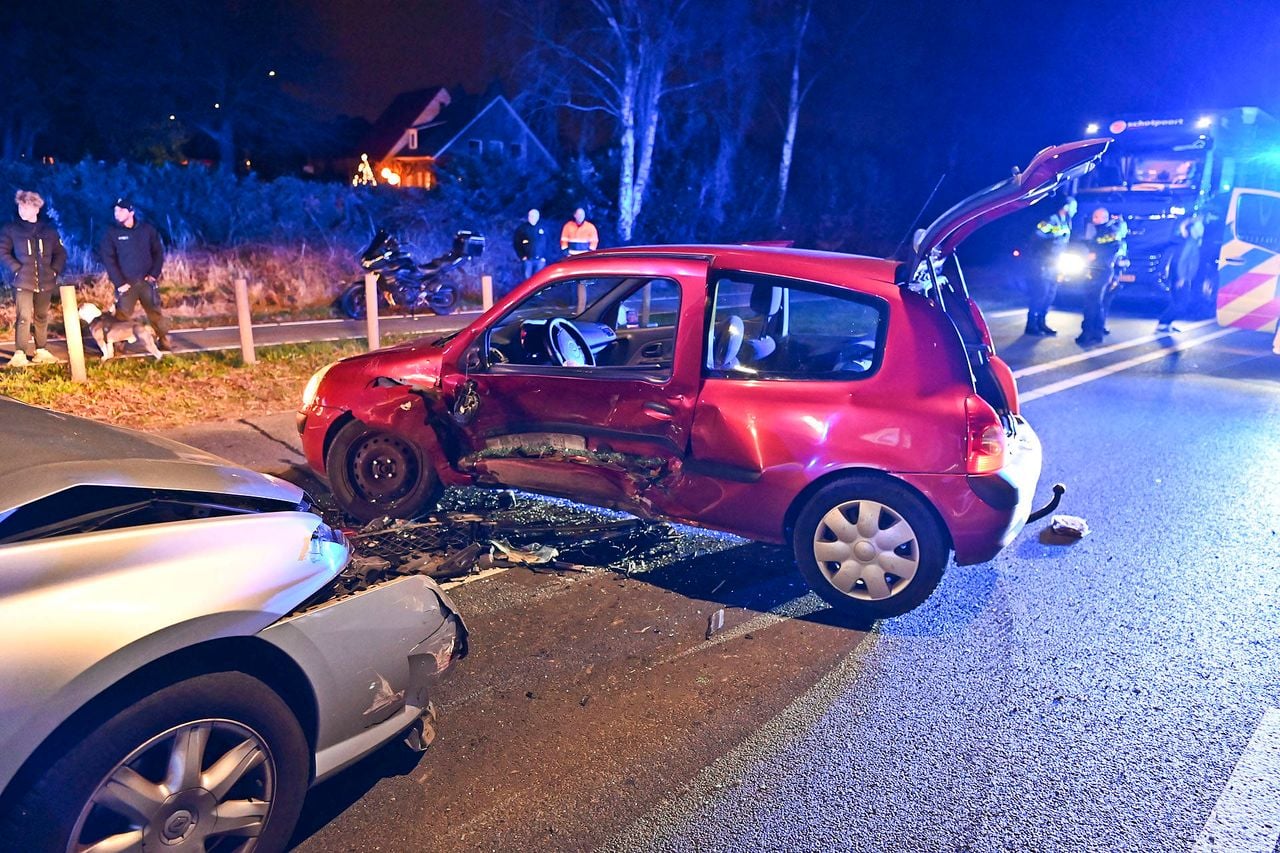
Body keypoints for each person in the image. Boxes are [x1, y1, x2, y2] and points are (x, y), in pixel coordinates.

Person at [0, 190, 66, 367]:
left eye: (26, 206)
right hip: (23, 281)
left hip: (45, 281)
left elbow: (60, 253)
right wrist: (17, 268)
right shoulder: (11, 229)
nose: (22, 209)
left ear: (36, 208)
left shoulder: (48, 231)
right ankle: (20, 353)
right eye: (20, 205)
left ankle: (41, 350)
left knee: (42, 316)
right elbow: (3, 251)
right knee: (23, 316)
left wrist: (54, 271)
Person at [99, 197, 170, 350]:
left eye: (120, 210)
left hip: (146, 282)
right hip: (126, 284)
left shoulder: (147, 230)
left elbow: (158, 252)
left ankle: (163, 340)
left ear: (131, 212)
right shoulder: (112, 233)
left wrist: (153, 274)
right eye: (115, 210)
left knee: (155, 312)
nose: (116, 213)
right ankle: (118, 344)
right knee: (121, 316)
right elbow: (109, 259)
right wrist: (119, 283)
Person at [1075, 206, 1128, 346]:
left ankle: (1089, 333)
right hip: (1101, 270)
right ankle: (1096, 332)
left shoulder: (1108, 232)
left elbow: (1111, 248)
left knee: (1092, 302)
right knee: (1097, 302)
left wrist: (1096, 255)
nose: (1093, 220)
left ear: (1103, 218)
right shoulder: (1104, 231)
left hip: (1100, 271)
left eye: (1095, 217)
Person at [1026, 196, 1076, 336]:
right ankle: (1031, 325)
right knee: (1040, 293)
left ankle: (1041, 322)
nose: (1075, 210)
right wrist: (1056, 234)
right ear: (1066, 207)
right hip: (1043, 263)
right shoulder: (1051, 220)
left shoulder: (1067, 222)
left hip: (1055, 263)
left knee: (1050, 294)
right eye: (1074, 207)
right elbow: (1037, 235)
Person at [1155, 217, 1204, 333]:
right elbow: (1183, 260)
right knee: (1181, 302)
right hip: (1181, 277)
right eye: (1199, 228)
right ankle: (1163, 322)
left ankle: (1167, 324)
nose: (1202, 230)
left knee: (1178, 300)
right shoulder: (1190, 242)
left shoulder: (1193, 242)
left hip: (1183, 276)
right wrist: (1182, 277)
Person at [513, 208, 550, 279]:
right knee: (527, 281)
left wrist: (545, 257)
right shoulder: (522, 229)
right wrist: (522, 256)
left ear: (538, 217)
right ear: (528, 217)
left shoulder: (543, 228)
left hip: (540, 260)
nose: (532, 218)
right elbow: (516, 243)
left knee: (539, 280)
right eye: (531, 216)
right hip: (528, 260)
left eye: (534, 216)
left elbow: (548, 243)